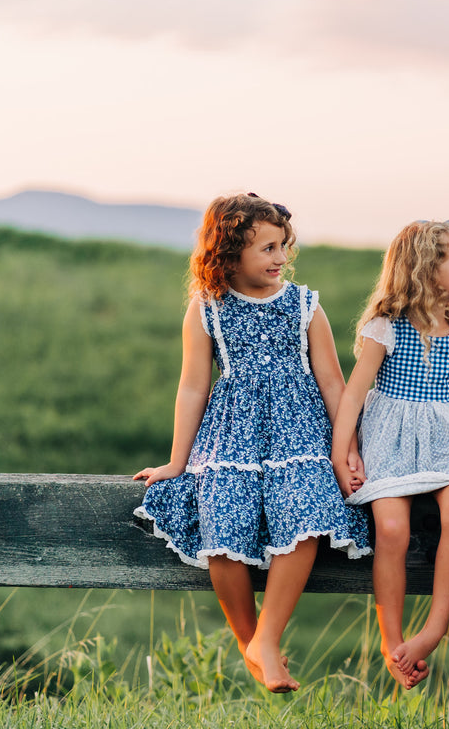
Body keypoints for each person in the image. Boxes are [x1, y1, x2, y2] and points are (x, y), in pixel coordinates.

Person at [133, 193, 370, 694]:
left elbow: (333, 383)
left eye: (283, 246)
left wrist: (346, 448)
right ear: (229, 253)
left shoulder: (304, 304)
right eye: (266, 248)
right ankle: (252, 643)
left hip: (300, 435)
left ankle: (269, 636)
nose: (280, 258)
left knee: (307, 516)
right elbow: (193, 386)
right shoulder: (208, 310)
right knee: (223, 525)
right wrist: (178, 461)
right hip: (231, 438)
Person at [330, 219, 449, 689]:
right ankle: (392, 639)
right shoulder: (386, 329)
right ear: (426, 268)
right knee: (393, 527)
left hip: (447, 438)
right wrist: (344, 456)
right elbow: (353, 398)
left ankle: (435, 627)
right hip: (392, 439)